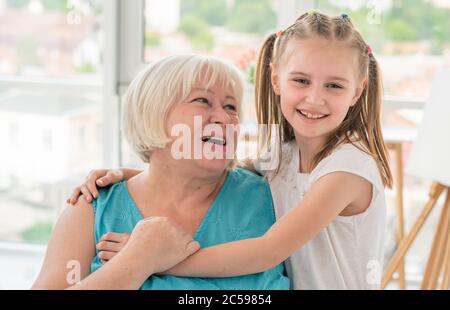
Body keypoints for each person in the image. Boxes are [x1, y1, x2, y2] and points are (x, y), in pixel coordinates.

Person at [69, 11, 392, 290]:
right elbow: (205, 172)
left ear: (357, 91)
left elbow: (269, 251)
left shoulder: (347, 169)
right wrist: (126, 175)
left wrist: (154, 259)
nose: (315, 98)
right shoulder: (284, 154)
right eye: (301, 81)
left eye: (334, 85)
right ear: (276, 79)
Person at [32, 54, 289, 290]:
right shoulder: (90, 208)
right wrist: (138, 259)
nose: (224, 117)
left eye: (231, 106)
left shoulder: (273, 195)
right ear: (152, 113)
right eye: (202, 100)